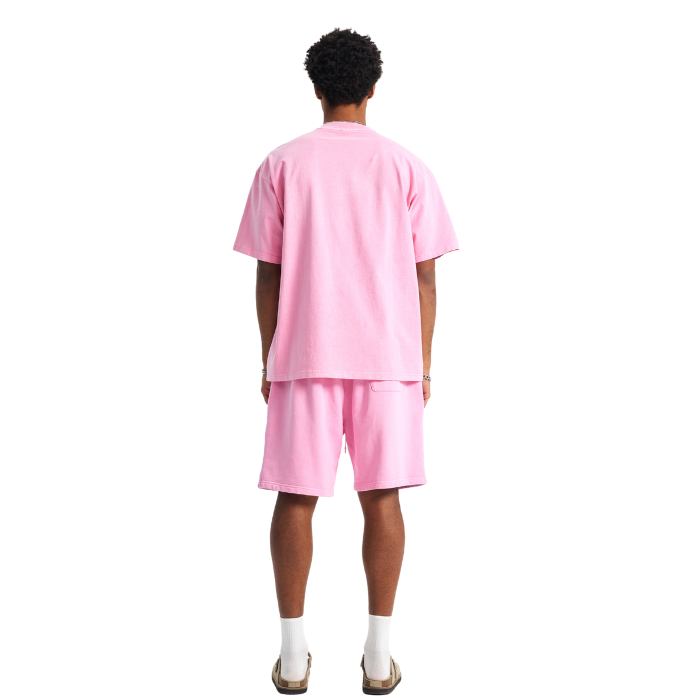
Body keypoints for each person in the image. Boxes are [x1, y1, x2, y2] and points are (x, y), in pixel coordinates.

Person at [233, 28, 458, 695]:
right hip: (388, 357)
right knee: (382, 495)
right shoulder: (406, 166)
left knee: (295, 495)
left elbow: (268, 274)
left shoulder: (280, 164)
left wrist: (270, 356)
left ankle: (292, 656)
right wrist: (423, 364)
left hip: (304, 353)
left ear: (316, 89)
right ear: (373, 88)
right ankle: (380, 657)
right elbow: (426, 277)